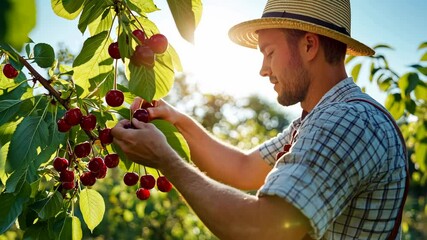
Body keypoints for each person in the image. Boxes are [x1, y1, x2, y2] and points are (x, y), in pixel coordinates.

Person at [111, 0, 408, 239]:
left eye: (269, 52)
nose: (263, 70)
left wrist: (166, 160)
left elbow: (266, 228)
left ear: (309, 46)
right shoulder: (317, 120)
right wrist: (178, 120)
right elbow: (242, 168)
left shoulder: (347, 121)